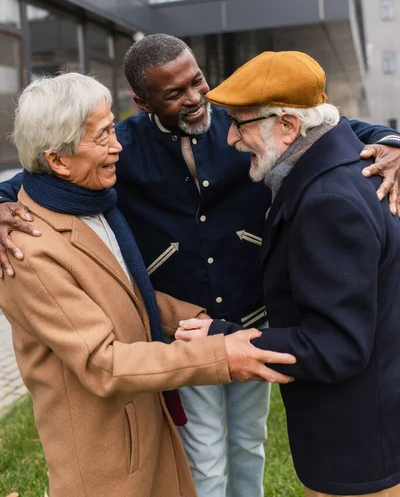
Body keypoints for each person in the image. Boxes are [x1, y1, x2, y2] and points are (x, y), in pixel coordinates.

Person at [1, 36, 400, 497]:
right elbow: (41, 173)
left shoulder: (243, 119)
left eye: (197, 82)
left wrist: (393, 141)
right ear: (143, 102)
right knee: (206, 454)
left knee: (250, 442)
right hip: (188, 334)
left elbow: (326, 125)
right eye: (174, 94)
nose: (195, 99)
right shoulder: (122, 145)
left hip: (250, 318)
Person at [0, 72, 297, 497]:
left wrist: (202, 320)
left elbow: (130, 296)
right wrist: (219, 352)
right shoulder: (28, 251)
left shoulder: (94, 205)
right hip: (107, 459)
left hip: (142, 427)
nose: (118, 146)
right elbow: (102, 363)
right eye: (103, 135)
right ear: (60, 161)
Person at [176, 51, 400, 497]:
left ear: (287, 126)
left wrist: (225, 338)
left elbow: (337, 347)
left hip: (356, 452)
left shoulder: (327, 202)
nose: (231, 140)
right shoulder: (340, 158)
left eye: (240, 125)